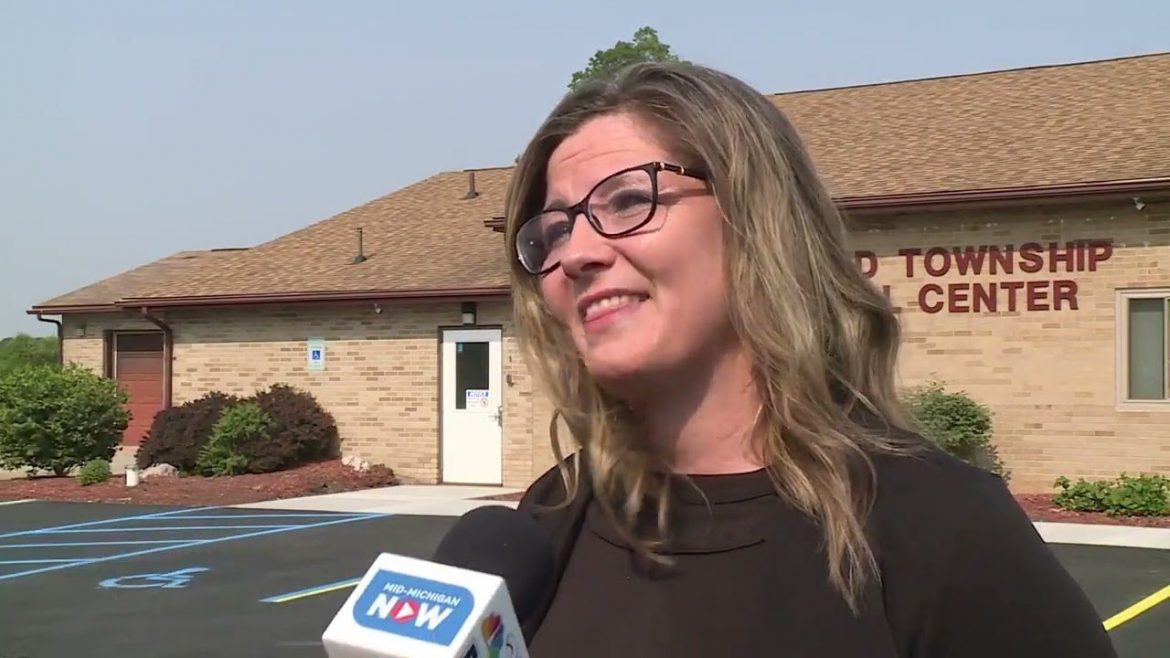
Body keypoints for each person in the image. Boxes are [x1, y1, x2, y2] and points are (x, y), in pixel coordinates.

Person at [502, 60, 1117, 657]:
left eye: (629, 200)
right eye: (554, 230)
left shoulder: (941, 529)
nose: (576, 254)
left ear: (755, 217)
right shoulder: (551, 518)